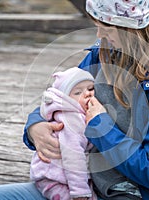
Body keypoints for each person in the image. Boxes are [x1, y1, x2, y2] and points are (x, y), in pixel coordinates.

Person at [0, 0, 149, 199]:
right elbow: (61, 95)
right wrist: (35, 126)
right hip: (88, 186)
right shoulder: (102, 53)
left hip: (146, 193)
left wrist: (100, 125)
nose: (99, 35)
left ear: (129, 29)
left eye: (106, 28)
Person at [30, 67, 97, 200]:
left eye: (90, 89)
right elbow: (73, 156)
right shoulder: (71, 120)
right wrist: (80, 192)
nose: (87, 94)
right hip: (53, 179)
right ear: (65, 98)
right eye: (78, 92)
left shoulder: (79, 114)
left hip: (67, 177)